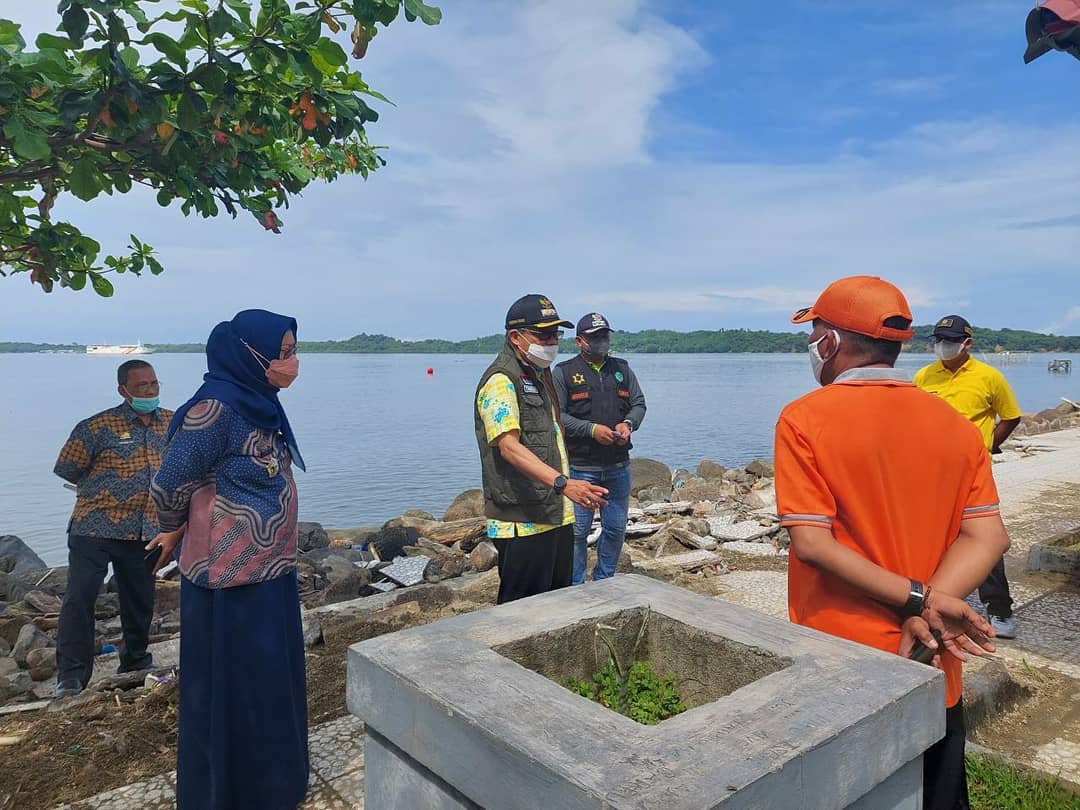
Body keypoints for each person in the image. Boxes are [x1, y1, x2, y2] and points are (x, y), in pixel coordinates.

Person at [774, 276, 1011, 810]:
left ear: (829, 343)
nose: (811, 345)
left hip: (843, 661)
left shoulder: (804, 419)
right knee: (938, 791)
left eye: (814, 332)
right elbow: (987, 535)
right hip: (931, 656)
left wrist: (919, 601)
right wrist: (934, 609)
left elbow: (812, 543)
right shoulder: (953, 424)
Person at [147, 310, 307, 810]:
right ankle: (230, 792)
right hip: (228, 580)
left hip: (271, 571)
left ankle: (276, 784)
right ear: (247, 353)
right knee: (233, 690)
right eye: (281, 353)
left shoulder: (261, 403)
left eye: (291, 350)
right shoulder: (213, 411)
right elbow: (169, 483)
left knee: (269, 684)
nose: (291, 361)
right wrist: (175, 528)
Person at [474, 294, 610, 604]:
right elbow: (508, 447)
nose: (551, 342)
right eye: (542, 334)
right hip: (522, 521)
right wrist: (564, 484)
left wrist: (572, 489)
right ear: (515, 337)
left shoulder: (539, 374)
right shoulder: (500, 381)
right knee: (519, 615)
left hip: (553, 514)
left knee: (555, 607)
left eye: (555, 334)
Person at [52, 360, 173, 697]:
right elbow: (67, 468)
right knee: (80, 598)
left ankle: (135, 660)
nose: (150, 391)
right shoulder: (96, 427)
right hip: (94, 528)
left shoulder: (173, 423)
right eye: (141, 387)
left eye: (154, 384)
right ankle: (71, 677)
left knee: (140, 600)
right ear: (123, 390)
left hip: (145, 530)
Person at [913, 315, 1023, 639]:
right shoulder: (923, 376)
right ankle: (930, 599)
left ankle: (999, 609)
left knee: (981, 537)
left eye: (949, 340)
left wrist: (988, 446)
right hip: (932, 471)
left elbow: (1011, 417)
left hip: (974, 475)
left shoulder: (989, 377)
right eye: (938, 340)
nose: (942, 346)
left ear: (967, 343)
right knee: (932, 537)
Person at [554, 313, 646, 584]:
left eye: (605, 335)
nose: (602, 341)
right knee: (578, 532)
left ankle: (605, 580)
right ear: (580, 341)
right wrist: (592, 430)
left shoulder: (622, 369)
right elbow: (558, 417)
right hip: (581, 468)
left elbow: (639, 404)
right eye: (596, 337)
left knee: (616, 528)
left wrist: (629, 423)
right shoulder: (564, 372)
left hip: (618, 466)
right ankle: (575, 585)